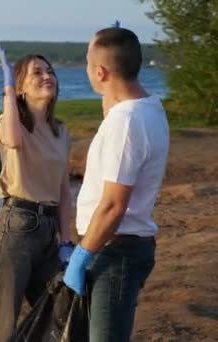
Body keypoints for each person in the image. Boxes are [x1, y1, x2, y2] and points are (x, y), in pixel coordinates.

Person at [64, 27, 170, 342]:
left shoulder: (127, 122)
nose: (86, 71)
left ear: (100, 72)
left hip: (116, 249)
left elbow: (113, 206)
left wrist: (82, 254)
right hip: (117, 245)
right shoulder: (148, 106)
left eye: (87, 63)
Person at [0, 43, 73, 341]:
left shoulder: (60, 130)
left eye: (50, 71)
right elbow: (14, 141)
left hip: (49, 232)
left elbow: (64, 189)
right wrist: (7, 91)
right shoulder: (8, 122)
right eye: (37, 73)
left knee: (64, 311)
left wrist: (66, 241)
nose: (47, 76)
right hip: (16, 227)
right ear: (20, 87)